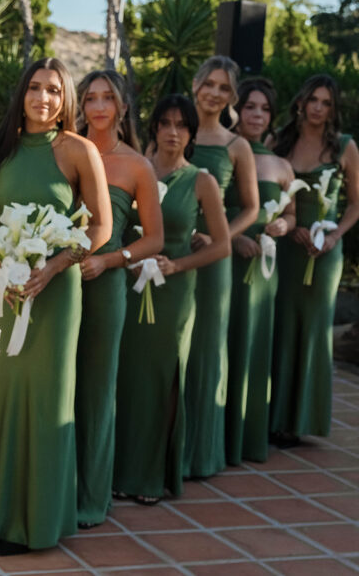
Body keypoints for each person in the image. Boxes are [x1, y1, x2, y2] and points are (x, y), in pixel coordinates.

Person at [0, 57, 112, 553]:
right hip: (4, 291)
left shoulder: (79, 150)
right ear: (21, 94)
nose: (43, 98)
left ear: (64, 98)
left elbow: (100, 227)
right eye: (34, 88)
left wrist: (55, 266)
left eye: (53, 90)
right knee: (1, 400)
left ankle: (38, 523)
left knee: (48, 403)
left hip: (56, 292)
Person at [113, 94, 229, 504]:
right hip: (126, 287)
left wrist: (178, 266)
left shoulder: (202, 181)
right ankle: (118, 471)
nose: (173, 132)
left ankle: (149, 478)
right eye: (165, 123)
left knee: (161, 380)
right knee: (127, 378)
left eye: (182, 125)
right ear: (155, 128)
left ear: (192, 133)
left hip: (173, 294)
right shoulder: (137, 170)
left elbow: (222, 246)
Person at [74, 70, 163, 528]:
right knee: (57, 388)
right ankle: (51, 488)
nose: (100, 105)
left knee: (95, 389)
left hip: (105, 286)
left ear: (123, 107)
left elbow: (154, 240)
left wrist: (111, 261)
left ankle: (90, 497)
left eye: (109, 97)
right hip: (56, 283)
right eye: (91, 97)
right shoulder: (63, 149)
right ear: (81, 105)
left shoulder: (136, 166)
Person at [270, 74, 359, 444]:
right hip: (287, 246)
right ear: (301, 102)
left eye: (326, 102)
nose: (319, 108)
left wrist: (334, 235)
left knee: (314, 326)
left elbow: (356, 203)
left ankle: (303, 418)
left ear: (333, 108)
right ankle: (274, 415)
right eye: (313, 100)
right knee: (283, 323)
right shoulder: (281, 141)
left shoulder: (344, 146)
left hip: (324, 251)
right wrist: (288, 229)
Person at [183, 55, 258, 480]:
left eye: (224, 88)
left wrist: (219, 235)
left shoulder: (237, 146)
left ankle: (202, 454)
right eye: (209, 83)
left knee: (207, 351)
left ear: (232, 96)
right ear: (196, 84)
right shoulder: (173, 132)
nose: (214, 93)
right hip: (171, 256)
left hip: (214, 262)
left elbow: (251, 207)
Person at [225, 79, 296, 464]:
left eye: (265, 109)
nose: (256, 115)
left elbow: (290, 212)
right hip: (225, 263)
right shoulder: (227, 151)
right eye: (250, 106)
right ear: (237, 110)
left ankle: (248, 436)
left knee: (253, 344)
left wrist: (284, 226)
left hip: (263, 272)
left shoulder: (280, 164)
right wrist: (233, 240)